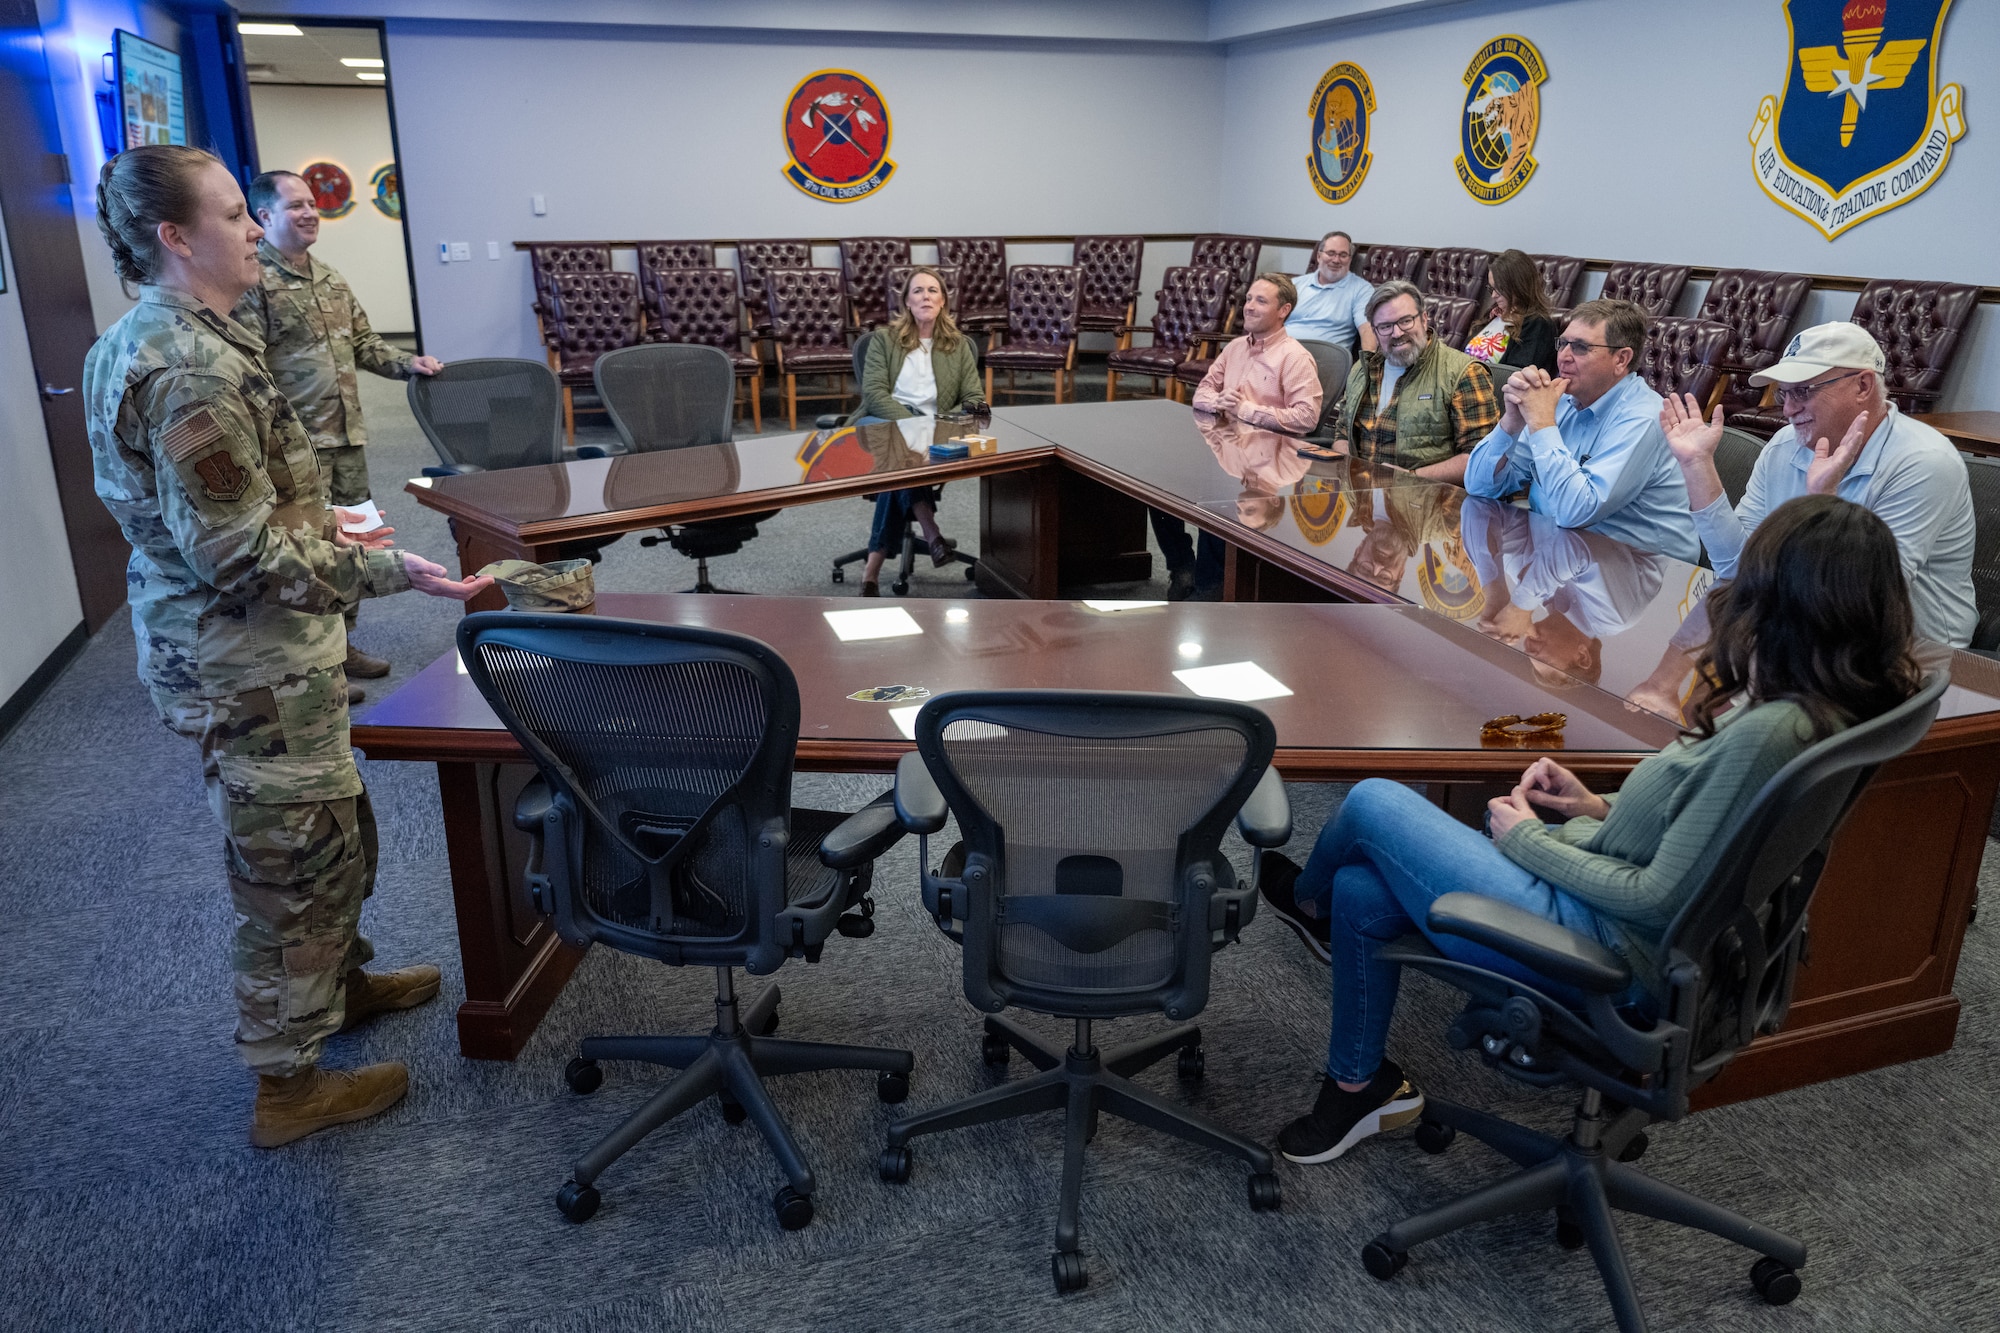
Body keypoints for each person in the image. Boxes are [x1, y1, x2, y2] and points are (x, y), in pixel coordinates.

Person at [1257, 494, 1920, 1163]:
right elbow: (1706, 833)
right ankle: (1356, 1087)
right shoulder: (1817, 708)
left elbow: (1658, 896)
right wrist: (1594, 805)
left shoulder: (1772, 731)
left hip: (1606, 948)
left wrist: (1526, 839)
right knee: (1362, 891)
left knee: (1373, 800)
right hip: (1635, 928)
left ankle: (1303, 903)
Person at [83, 146, 493, 1148]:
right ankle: (287, 1083)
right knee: (290, 866)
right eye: (234, 213)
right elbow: (242, 554)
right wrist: (387, 568)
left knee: (331, 828)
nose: (257, 227)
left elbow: (242, 519)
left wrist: (327, 528)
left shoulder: (178, 334)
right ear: (175, 238)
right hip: (245, 659)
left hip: (263, 648)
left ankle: (339, 988)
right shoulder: (186, 365)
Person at [233, 170, 443, 688]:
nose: (309, 212)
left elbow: (366, 343)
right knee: (307, 551)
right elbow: (247, 367)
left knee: (356, 545)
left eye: (312, 203)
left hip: (347, 439)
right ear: (265, 216)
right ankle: (311, 664)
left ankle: (343, 646)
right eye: (295, 205)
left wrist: (407, 364)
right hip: (295, 449)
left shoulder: (328, 277)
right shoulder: (254, 281)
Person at [1662, 320, 1976, 648]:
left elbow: (1866, 597)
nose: (1787, 408)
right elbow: (1739, 567)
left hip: (1915, 652)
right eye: (1784, 392)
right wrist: (1697, 466)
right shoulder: (1785, 444)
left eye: (1803, 391)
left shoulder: (1923, 461)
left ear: (1863, 386)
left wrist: (1821, 502)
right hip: (1806, 631)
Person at [1465, 298, 1700, 563]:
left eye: (1580, 347)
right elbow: (1478, 485)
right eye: (1562, 344)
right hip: (1567, 553)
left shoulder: (1644, 418)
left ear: (1621, 359)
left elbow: (1574, 512)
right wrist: (1512, 422)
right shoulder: (1561, 401)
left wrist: (1542, 423)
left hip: (1645, 570)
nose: (1563, 357)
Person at [1157, 274, 1323, 599]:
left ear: (1284, 310)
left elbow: (1306, 418)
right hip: (1225, 458)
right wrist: (1216, 401)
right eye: (1248, 298)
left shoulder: (1294, 357)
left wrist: (1247, 410)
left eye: (1261, 301)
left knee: (1217, 513)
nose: (1249, 306)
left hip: (1270, 464)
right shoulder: (1235, 348)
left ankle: (1209, 593)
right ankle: (1182, 568)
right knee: (1158, 489)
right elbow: (1203, 390)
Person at [853, 266, 987, 596]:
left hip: (934, 430)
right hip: (882, 423)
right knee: (901, 446)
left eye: (932, 291)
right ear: (907, 302)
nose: (925, 296)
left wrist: (935, 424)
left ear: (943, 301)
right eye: (917, 291)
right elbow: (873, 393)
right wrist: (912, 424)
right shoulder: (884, 340)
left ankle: (872, 567)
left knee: (900, 463)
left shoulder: (958, 346)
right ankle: (930, 530)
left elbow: (973, 397)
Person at [1336, 280, 1499, 485]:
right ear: (1375, 332)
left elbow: (1481, 459)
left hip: (1431, 504)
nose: (1397, 333)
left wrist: (1409, 478)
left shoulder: (1464, 373)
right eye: (1385, 326)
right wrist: (1350, 469)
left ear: (1423, 319)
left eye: (1405, 321)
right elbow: (1342, 433)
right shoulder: (1362, 370)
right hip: (1361, 502)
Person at [1463, 248, 1558, 376]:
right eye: (1491, 288)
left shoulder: (1538, 324)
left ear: (1519, 286)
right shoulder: (1493, 314)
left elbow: (1516, 374)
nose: (1494, 296)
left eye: (1500, 289)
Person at [1286, 231, 1378, 355]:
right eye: (1331, 253)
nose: (1336, 260)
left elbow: (1367, 329)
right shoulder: (1294, 284)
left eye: (1343, 255)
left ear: (1350, 260)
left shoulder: (1361, 289)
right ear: (1319, 256)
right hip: (1282, 352)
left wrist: (1368, 367)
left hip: (1324, 361)